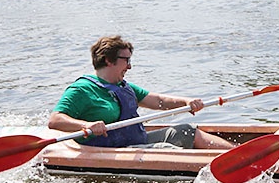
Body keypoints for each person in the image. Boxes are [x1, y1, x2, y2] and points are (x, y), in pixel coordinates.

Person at [48, 35, 233, 149]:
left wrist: (187, 102)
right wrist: (85, 125)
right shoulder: (81, 90)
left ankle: (238, 155)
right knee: (168, 151)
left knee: (186, 131)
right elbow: (55, 120)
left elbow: (160, 101)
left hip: (136, 141)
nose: (129, 66)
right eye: (126, 60)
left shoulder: (124, 87)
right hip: (111, 150)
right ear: (108, 60)